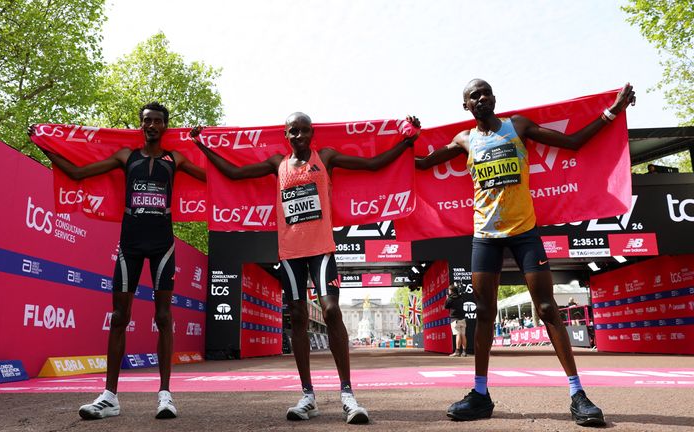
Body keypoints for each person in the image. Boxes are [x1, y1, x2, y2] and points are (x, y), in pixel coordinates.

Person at [416, 79, 635, 427]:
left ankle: (578, 395)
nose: (481, 98)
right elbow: (421, 163)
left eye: (486, 92)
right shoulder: (464, 140)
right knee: (484, 312)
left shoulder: (517, 126)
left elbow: (573, 142)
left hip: (524, 233)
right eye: (474, 96)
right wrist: (403, 139)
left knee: (547, 308)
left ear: (494, 98)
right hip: (485, 236)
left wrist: (613, 111)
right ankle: (480, 394)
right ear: (466, 106)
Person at [192, 112, 419, 424]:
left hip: (321, 249)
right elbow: (234, 173)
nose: (299, 136)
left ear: (313, 133)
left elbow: (373, 164)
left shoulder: (325, 157)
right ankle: (308, 395)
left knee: (331, 311)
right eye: (293, 131)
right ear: (286, 135)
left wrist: (406, 142)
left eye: (304, 130)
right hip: (290, 252)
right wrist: (203, 146)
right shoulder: (278, 163)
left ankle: (347, 393)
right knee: (298, 315)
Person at [30, 102, 206, 420]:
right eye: (147, 121)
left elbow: (210, 179)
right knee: (119, 316)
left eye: (157, 121)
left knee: (163, 317)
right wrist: (44, 145)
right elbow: (78, 173)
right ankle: (109, 397)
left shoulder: (175, 159)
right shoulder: (127, 156)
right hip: (130, 244)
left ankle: (165, 396)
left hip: (163, 244)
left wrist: (202, 143)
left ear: (165, 126)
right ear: (141, 125)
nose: (151, 125)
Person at [444, 284, 467, 357]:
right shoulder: (460, 297)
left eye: (449, 290)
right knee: (463, 335)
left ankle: (457, 351)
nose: (448, 291)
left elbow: (446, 306)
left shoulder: (450, 298)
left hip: (455, 319)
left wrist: (447, 298)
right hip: (462, 319)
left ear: (451, 291)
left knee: (458, 334)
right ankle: (464, 352)